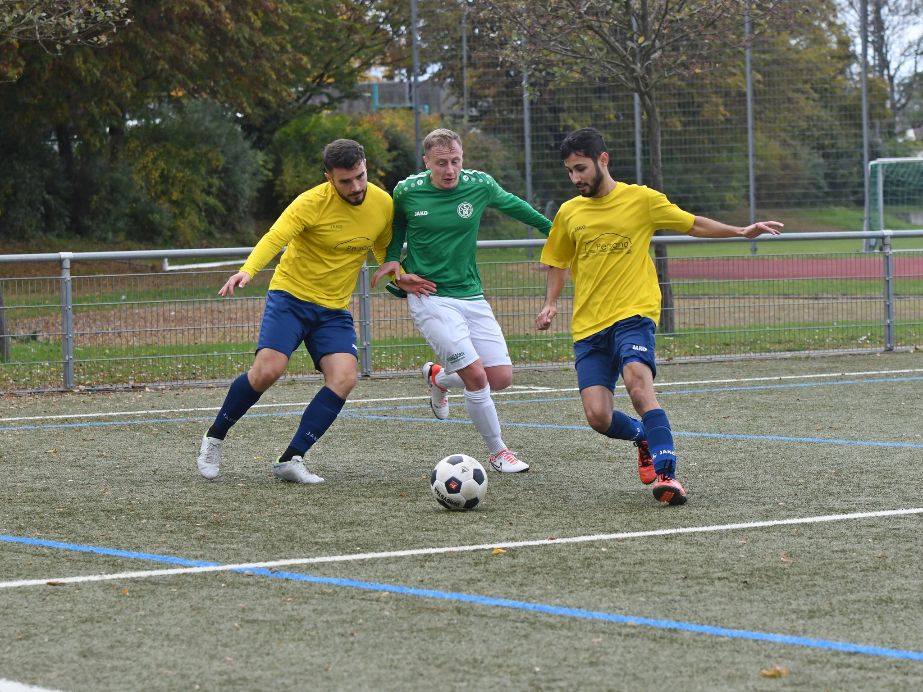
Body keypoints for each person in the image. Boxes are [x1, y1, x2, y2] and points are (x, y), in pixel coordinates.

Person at [535, 128, 783, 505]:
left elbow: (692, 223)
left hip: (634, 314)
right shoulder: (570, 213)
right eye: (569, 171)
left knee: (638, 385)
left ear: (603, 160)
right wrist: (551, 302)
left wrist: (740, 231)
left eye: (581, 168)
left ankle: (668, 476)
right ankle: (643, 437)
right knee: (598, 416)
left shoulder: (641, 199)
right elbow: (557, 260)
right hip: (589, 326)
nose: (575, 178)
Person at [196, 139, 417, 484]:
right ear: (329, 177)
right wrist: (248, 270)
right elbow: (275, 237)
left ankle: (291, 459)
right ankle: (214, 437)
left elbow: (382, 247)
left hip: (333, 310)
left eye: (360, 176)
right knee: (268, 370)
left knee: (344, 377)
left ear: (365, 167)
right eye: (346, 181)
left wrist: (397, 274)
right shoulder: (310, 203)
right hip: (291, 298)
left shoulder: (382, 202)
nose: (356, 187)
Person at [371, 128, 552, 473]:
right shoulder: (407, 191)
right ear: (427, 162)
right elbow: (396, 229)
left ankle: (439, 378)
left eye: (455, 161)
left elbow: (517, 207)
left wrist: (555, 231)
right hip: (429, 296)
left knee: (500, 378)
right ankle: (499, 452)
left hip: (471, 294)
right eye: (441, 163)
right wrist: (394, 263)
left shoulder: (480, 185)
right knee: (476, 377)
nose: (450, 169)